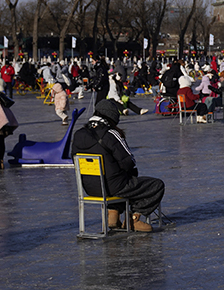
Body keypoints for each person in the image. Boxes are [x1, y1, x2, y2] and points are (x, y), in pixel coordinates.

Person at [71, 99, 165, 232]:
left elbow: (74, 159)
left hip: (90, 187)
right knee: (155, 185)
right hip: (113, 187)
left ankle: (113, 215)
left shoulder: (79, 133)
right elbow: (128, 161)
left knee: (120, 180)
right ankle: (133, 219)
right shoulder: (110, 133)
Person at [0, 91, 18, 169]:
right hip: (2, 114)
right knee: (0, 140)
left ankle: (0, 161)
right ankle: (0, 161)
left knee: (0, 140)